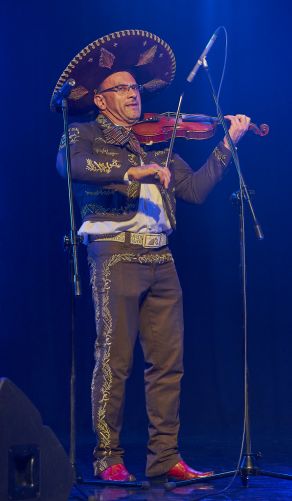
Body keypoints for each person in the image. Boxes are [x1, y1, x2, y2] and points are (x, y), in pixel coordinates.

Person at [52, 29, 250, 482]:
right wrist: (131, 169)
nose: (132, 94)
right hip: (115, 254)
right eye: (121, 89)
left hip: (161, 258)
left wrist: (226, 146)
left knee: (167, 363)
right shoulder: (82, 134)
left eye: (135, 87)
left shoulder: (158, 141)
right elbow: (71, 167)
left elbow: (195, 191)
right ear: (101, 100)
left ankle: (165, 458)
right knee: (114, 358)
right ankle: (108, 458)